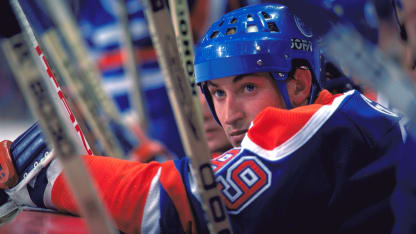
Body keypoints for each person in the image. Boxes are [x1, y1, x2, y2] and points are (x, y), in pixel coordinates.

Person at [0, 3, 413, 233]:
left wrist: (47, 174)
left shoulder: (328, 122)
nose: (228, 114)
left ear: (301, 83)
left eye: (248, 88)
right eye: (217, 93)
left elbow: (169, 204)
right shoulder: (347, 121)